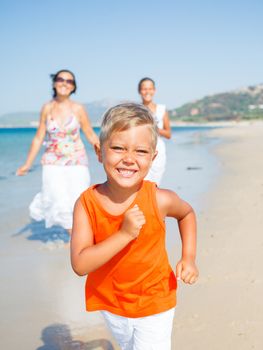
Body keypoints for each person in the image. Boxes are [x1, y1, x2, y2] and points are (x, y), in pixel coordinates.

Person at [71, 103, 198, 350]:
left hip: (155, 299)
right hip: (111, 303)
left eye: (140, 151)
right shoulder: (86, 204)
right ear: (99, 152)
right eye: (118, 148)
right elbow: (80, 264)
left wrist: (189, 257)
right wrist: (124, 234)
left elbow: (187, 214)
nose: (128, 159)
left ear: (153, 157)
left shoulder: (160, 199)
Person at [16, 69, 99, 235]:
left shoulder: (78, 108)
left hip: (77, 161)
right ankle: (75, 243)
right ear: (54, 83)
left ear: (73, 87)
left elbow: (89, 133)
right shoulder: (47, 108)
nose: (64, 83)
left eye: (69, 81)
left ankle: (80, 241)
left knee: (78, 200)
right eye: (61, 79)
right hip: (52, 162)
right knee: (58, 201)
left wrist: (103, 152)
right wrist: (27, 164)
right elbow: (39, 138)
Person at [138, 77, 171, 186]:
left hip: (158, 150)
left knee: (154, 185)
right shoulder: (136, 110)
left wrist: (154, 129)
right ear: (139, 91)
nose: (147, 92)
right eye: (144, 89)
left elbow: (168, 134)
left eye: (150, 89)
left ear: (154, 90)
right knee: (140, 183)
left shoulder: (162, 109)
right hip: (140, 150)